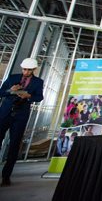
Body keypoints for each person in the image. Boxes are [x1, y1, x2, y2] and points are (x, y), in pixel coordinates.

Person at [0, 57, 44, 187]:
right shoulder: (13, 78)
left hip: (21, 115)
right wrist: (10, 91)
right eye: (24, 69)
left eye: (29, 70)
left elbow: (39, 97)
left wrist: (29, 96)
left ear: (34, 69)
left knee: (14, 145)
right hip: (4, 113)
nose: (26, 72)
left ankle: (6, 176)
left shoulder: (38, 82)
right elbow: (1, 92)